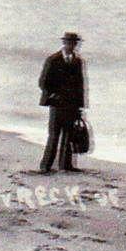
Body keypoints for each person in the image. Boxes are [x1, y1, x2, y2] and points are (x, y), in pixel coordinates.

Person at [39, 32, 86, 173]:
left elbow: (80, 85)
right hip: (57, 103)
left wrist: (80, 106)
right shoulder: (53, 59)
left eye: (74, 43)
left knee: (69, 135)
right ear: (64, 43)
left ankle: (65, 165)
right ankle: (45, 166)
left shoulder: (78, 61)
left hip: (71, 104)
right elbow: (43, 82)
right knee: (54, 134)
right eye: (69, 43)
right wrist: (54, 95)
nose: (72, 46)